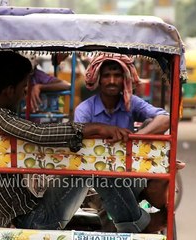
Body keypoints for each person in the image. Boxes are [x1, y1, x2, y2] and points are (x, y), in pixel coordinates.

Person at [0, 50, 161, 233]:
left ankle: (135, 219)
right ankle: (137, 223)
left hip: (30, 211)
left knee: (91, 163)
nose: (24, 94)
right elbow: (37, 133)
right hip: (32, 220)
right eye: (23, 88)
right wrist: (95, 128)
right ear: (10, 90)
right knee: (93, 165)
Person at [74, 54, 182, 228]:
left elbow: (165, 118)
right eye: (107, 76)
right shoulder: (85, 109)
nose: (112, 81)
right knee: (106, 179)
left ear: (123, 79)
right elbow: (79, 136)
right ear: (99, 80)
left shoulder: (130, 103)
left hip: (131, 172)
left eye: (117, 76)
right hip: (96, 177)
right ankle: (144, 224)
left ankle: (139, 219)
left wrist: (135, 139)